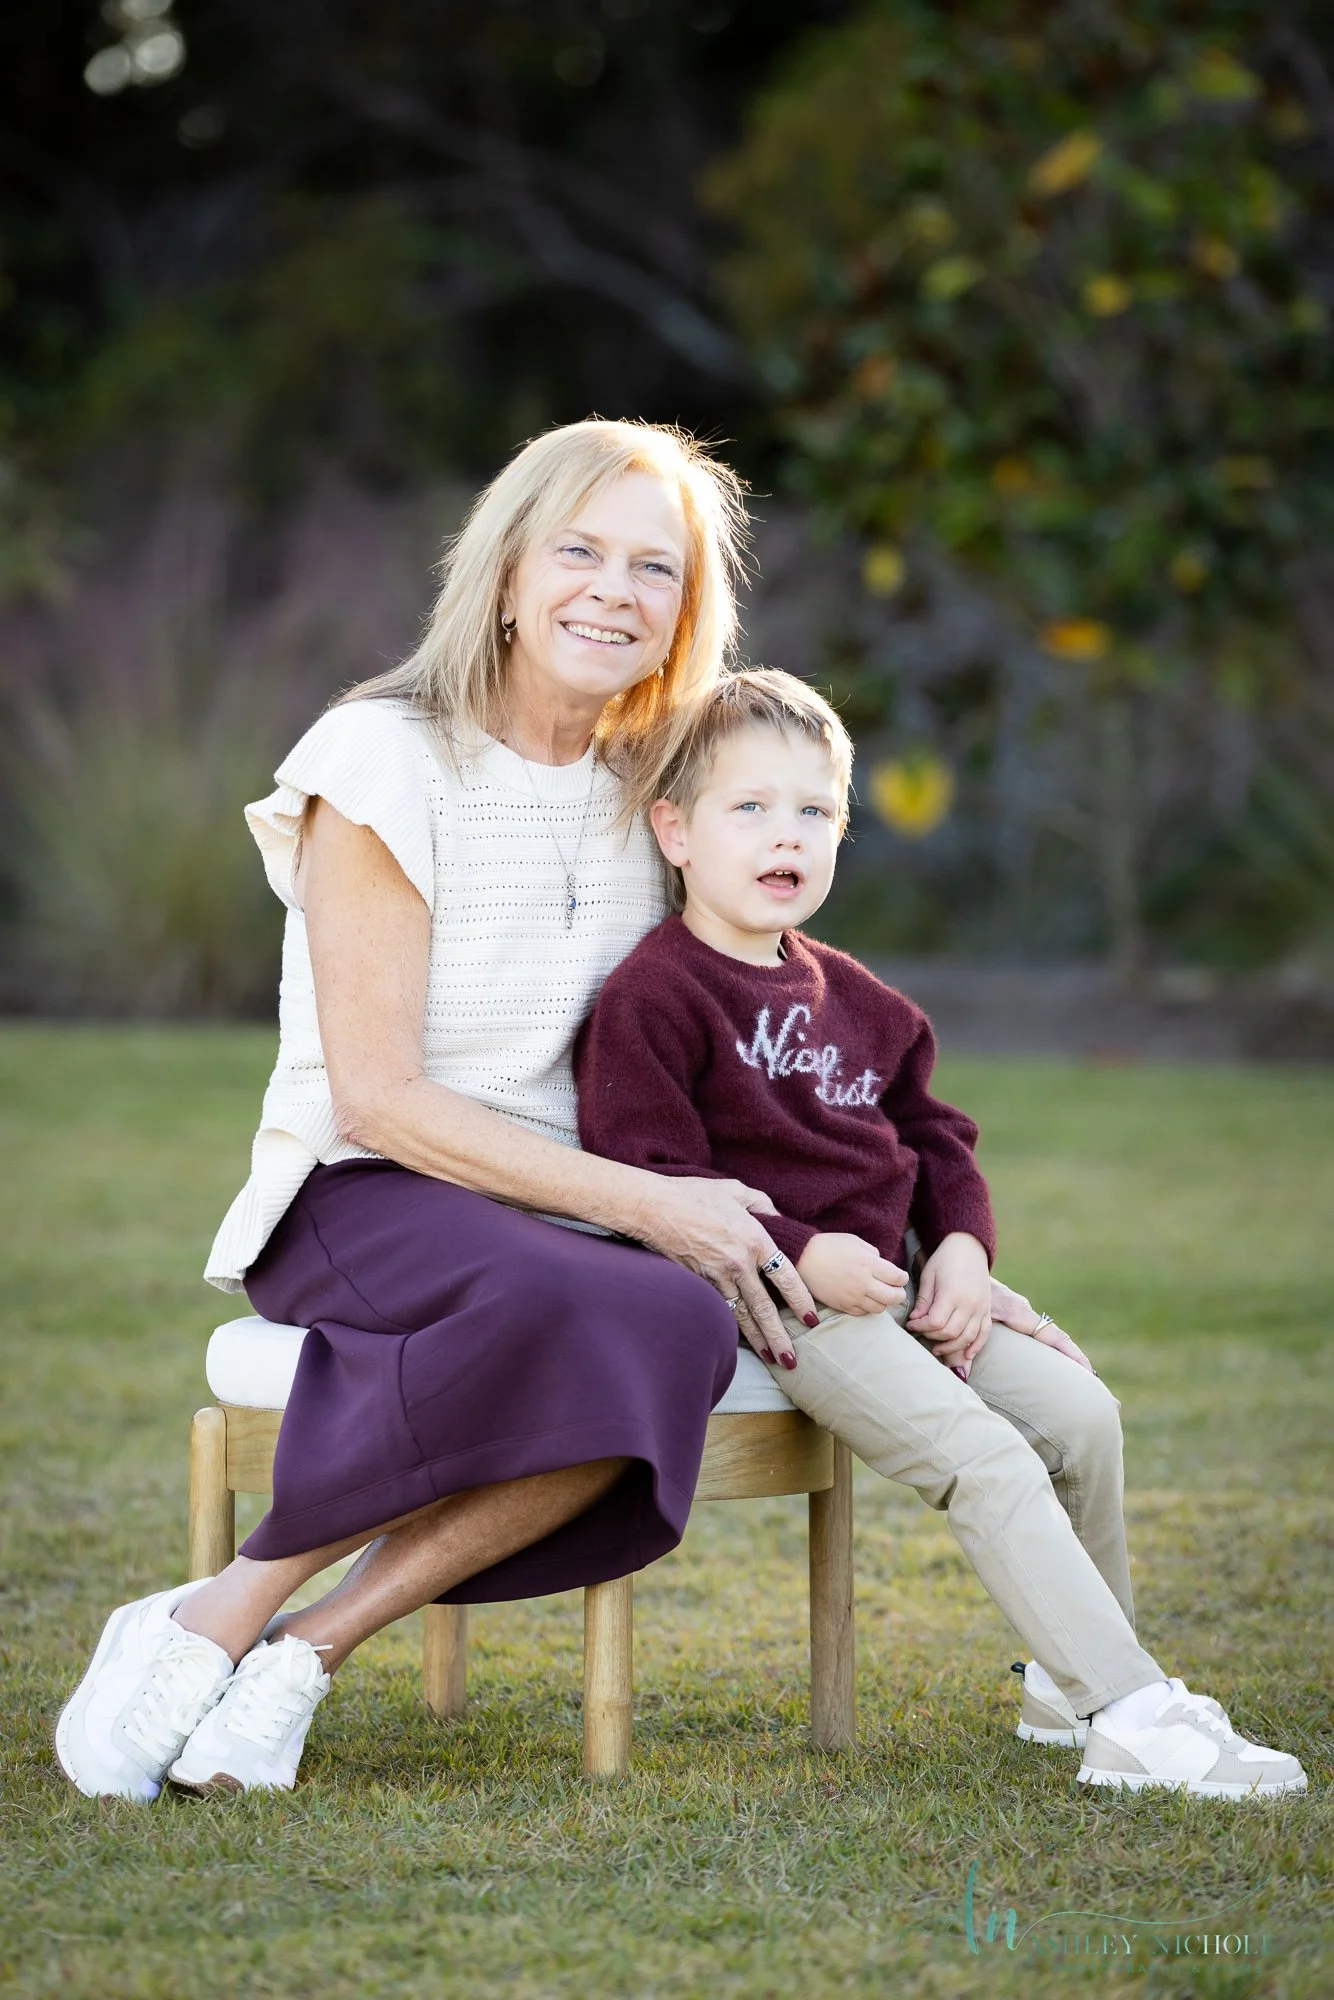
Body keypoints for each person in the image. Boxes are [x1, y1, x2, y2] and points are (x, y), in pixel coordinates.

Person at [55, 419, 833, 1803]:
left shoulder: (659, 795)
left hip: (565, 1214)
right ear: (506, 572)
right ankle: (211, 1613)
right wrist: (654, 1207)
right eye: (577, 550)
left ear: (685, 611)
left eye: (653, 567)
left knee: (656, 1318)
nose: (612, 588)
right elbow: (379, 1094)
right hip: (365, 1191)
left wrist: (924, 1231)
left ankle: (305, 1648)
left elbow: (761, 1035)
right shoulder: (378, 759)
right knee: (597, 1301)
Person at [574, 668, 1308, 1800]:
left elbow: (935, 1135)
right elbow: (650, 1170)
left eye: (814, 811)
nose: (788, 835)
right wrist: (796, 1248)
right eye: (750, 807)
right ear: (673, 828)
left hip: (906, 1284)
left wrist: (960, 1248)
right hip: (779, 1301)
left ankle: (1068, 1689)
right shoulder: (655, 995)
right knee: (982, 1459)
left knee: (1079, 1415)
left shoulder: (859, 1000)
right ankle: (1130, 1712)